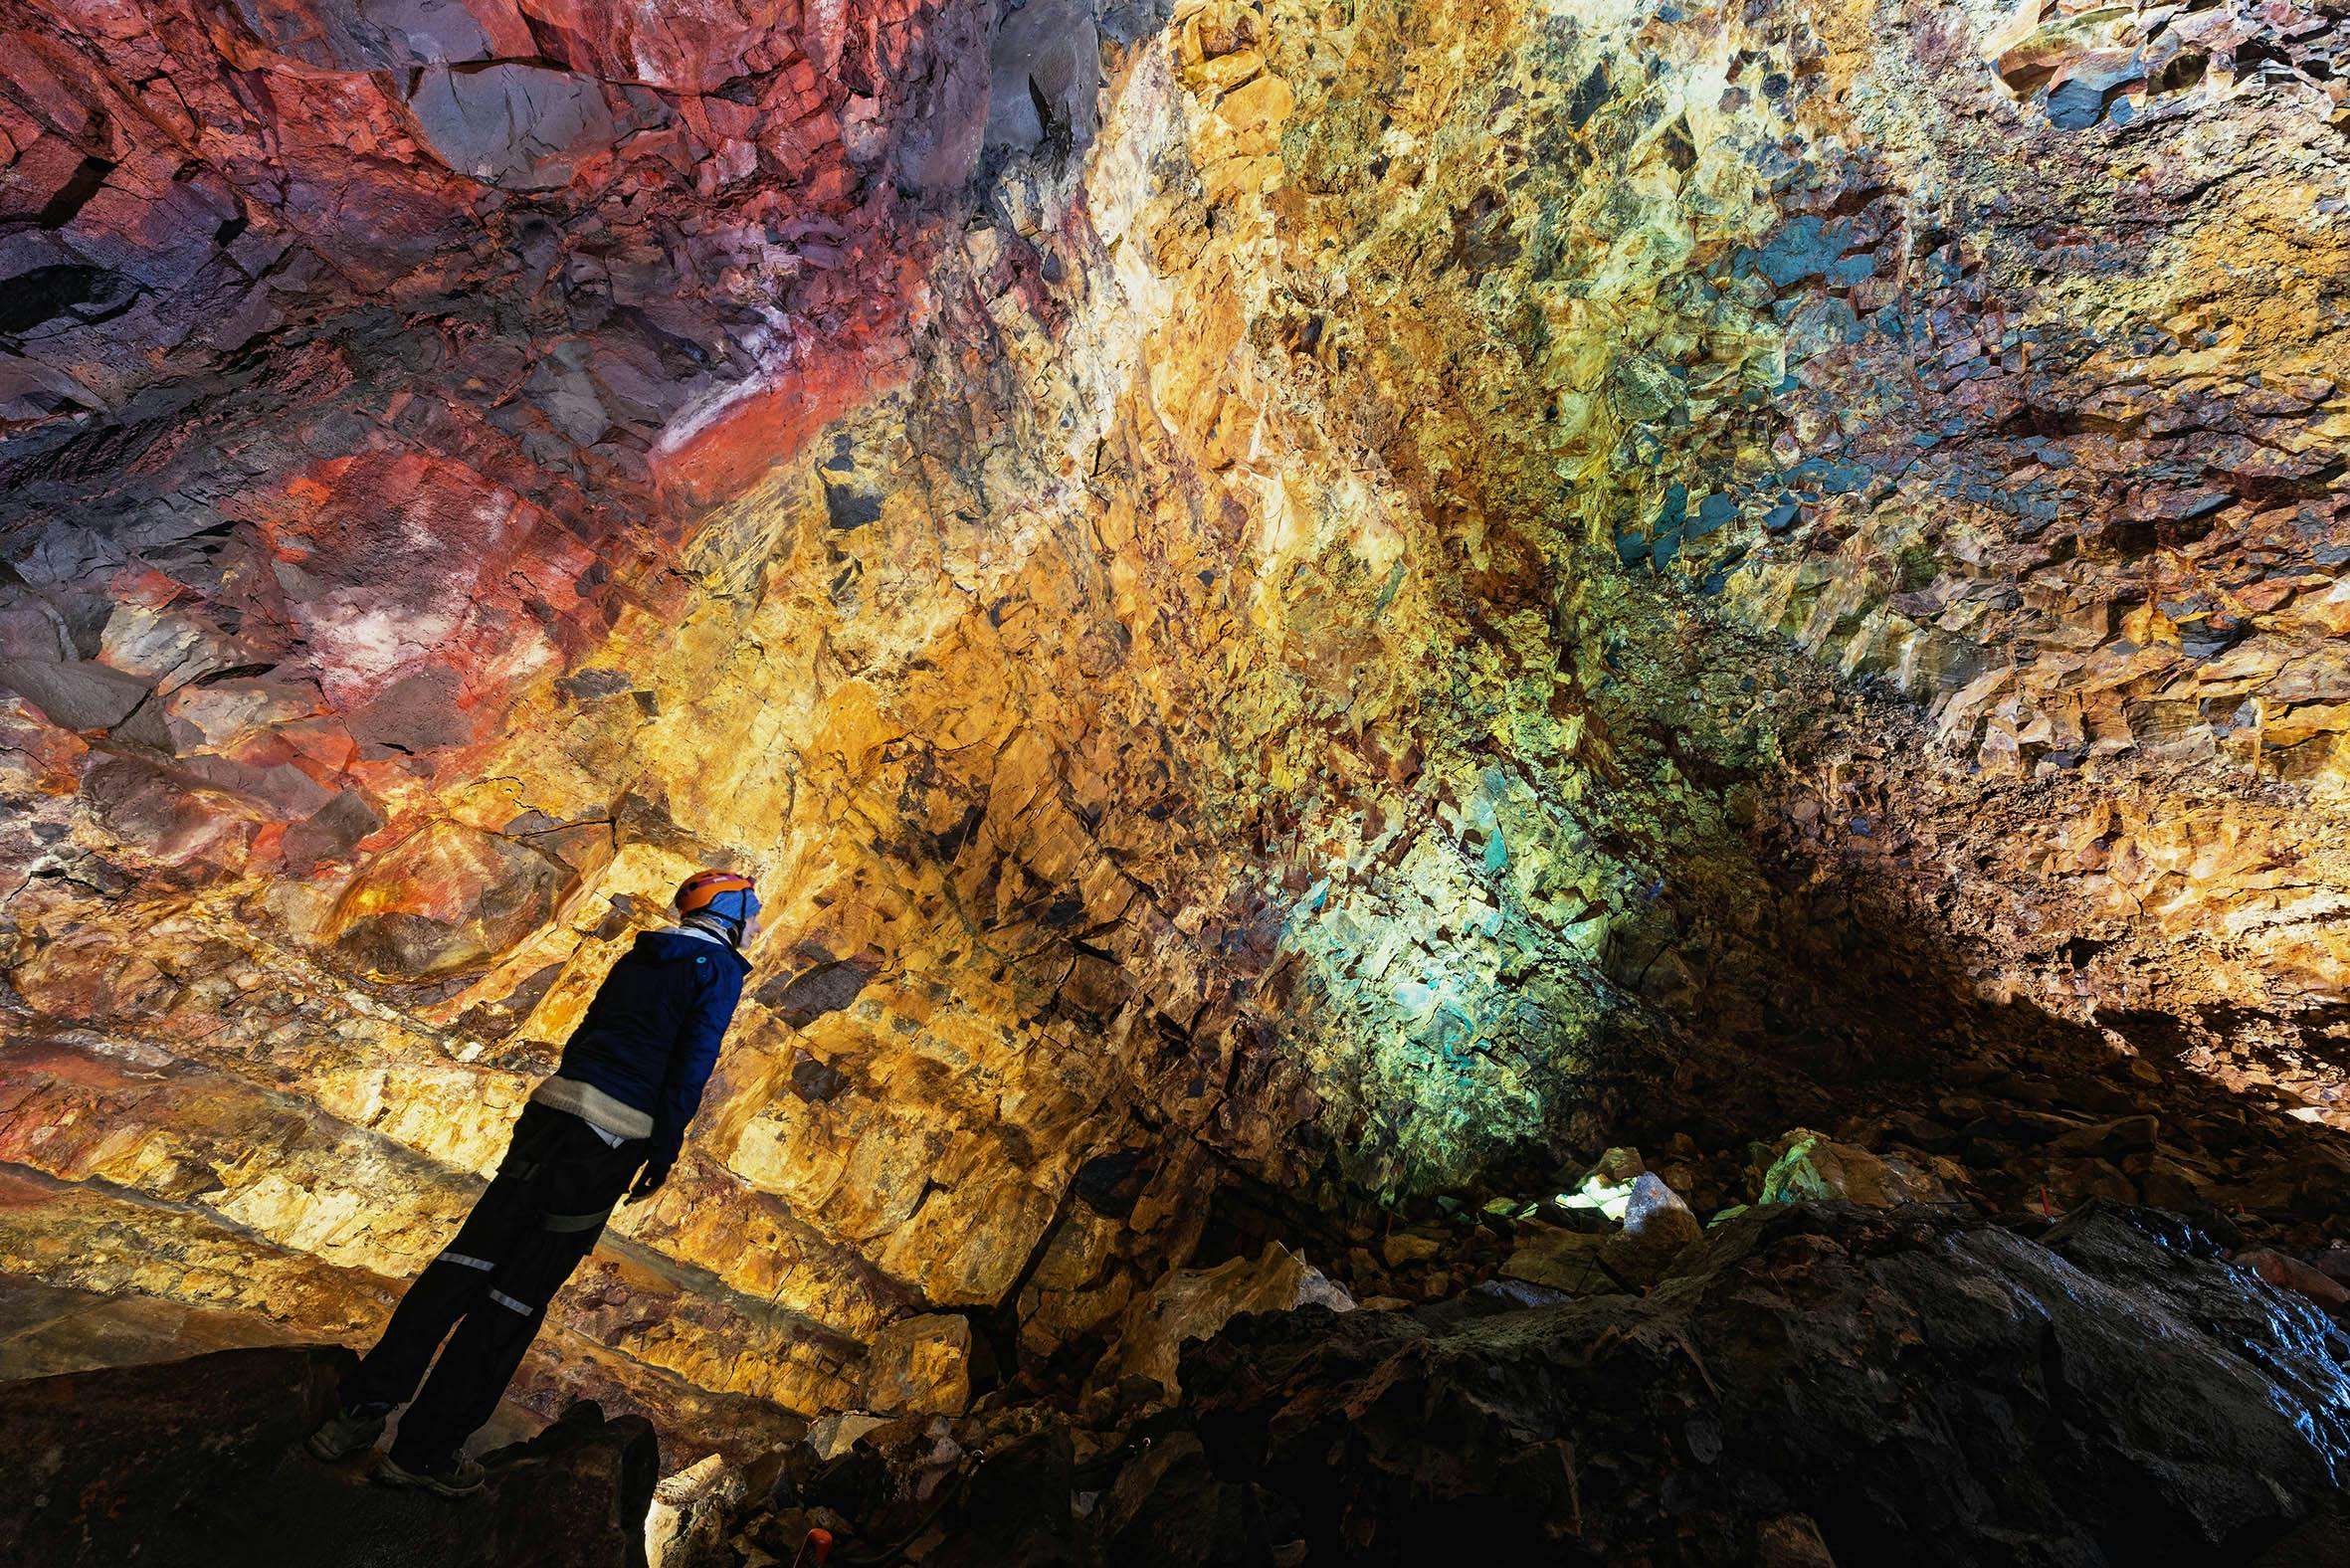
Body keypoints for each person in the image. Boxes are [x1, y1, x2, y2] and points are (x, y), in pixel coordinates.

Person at [305, 869, 760, 1495]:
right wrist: (665, 1143)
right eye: (752, 909)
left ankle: (358, 1413)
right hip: (609, 1139)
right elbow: (693, 1062)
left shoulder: (643, 952)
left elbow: (590, 1028)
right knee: (515, 1297)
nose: (755, 921)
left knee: (464, 1264)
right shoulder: (719, 972)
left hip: (553, 1113)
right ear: (733, 912)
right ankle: (424, 1454)